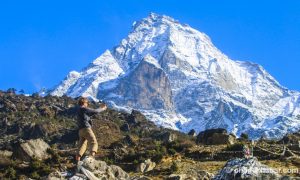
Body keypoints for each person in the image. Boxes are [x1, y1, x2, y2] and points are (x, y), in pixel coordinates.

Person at [75, 97, 107, 161]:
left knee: (82, 145)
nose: (87, 104)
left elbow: (88, 115)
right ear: (84, 103)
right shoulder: (83, 108)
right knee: (94, 142)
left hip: (80, 131)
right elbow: (95, 111)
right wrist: (102, 108)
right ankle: (91, 158)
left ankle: (77, 161)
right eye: (87, 103)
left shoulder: (78, 110)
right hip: (86, 129)